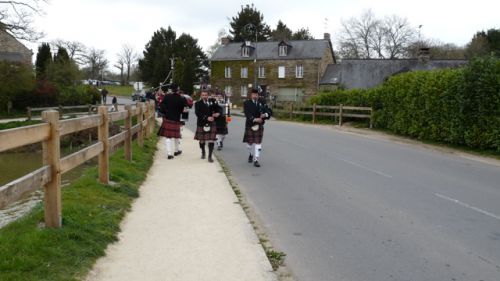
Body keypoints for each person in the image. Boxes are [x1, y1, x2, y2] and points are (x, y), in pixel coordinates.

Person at [243, 88, 272, 167]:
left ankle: (256, 159)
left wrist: (264, 115)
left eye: (256, 94)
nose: (255, 96)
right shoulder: (247, 103)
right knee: (249, 144)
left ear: (258, 95)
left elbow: (269, 111)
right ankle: (251, 154)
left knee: (258, 142)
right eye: (254, 94)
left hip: (259, 125)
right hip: (250, 125)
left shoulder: (262, 102)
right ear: (251, 95)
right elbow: (247, 114)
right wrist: (255, 119)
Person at [157, 84, 187, 159]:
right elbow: (182, 110)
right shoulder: (181, 98)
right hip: (176, 118)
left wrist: (166, 112)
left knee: (168, 137)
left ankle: (169, 154)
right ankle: (176, 151)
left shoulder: (167, 96)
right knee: (177, 136)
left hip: (168, 118)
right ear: (177, 89)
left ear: (171, 89)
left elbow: (161, 105)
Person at [194, 90, 220, 163]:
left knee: (211, 140)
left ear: (208, 95)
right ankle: (203, 151)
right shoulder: (197, 103)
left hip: (211, 123)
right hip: (201, 123)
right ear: (201, 96)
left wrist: (218, 113)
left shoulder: (213, 101)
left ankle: (210, 156)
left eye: (206, 95)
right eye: (203, 95)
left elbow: (218, 109)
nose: (204, 96)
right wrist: (206, 118)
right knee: (202, 140)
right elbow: (197, 114)